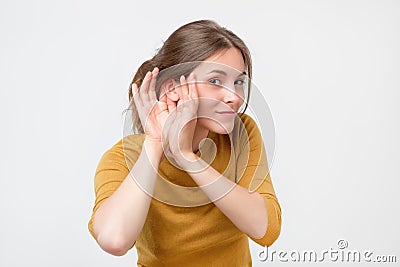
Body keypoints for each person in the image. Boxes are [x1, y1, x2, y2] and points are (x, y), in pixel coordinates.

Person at [88, 19, 281, 266]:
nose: (233, 97)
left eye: (239, 82)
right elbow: (114, 240)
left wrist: (187, 157)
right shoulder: (121, 158)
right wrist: (155, 144)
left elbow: (266, 230)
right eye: (215, 81)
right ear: (172, 88)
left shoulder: (242, 135)